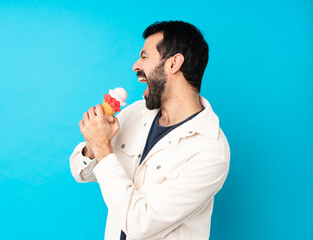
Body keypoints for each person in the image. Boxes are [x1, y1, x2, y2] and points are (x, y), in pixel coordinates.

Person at [70, 21, 230, 240]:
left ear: (174, 63)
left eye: (144, 57)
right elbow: (81, 173)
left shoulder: (210, 150)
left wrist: (102, 147)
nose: (136, 65)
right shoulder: (136, 112)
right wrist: (92, 143)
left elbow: (140, 225)